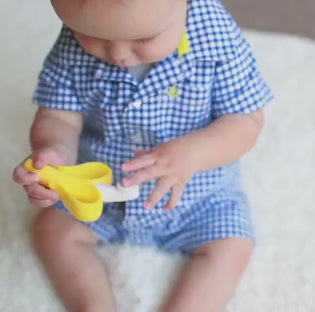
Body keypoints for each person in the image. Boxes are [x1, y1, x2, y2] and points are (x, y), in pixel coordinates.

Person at [12, 0, 274, 310]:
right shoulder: (72, 40)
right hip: (103, 192)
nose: (119, 54)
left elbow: (245, 121)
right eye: (95, 37)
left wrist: (192, 154)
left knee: (233, 247)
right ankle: (94, 305)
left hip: (198, 197)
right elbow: (59, 117)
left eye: (144, 39)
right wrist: (55, 153)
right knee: (51, 231)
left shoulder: (216, 38)